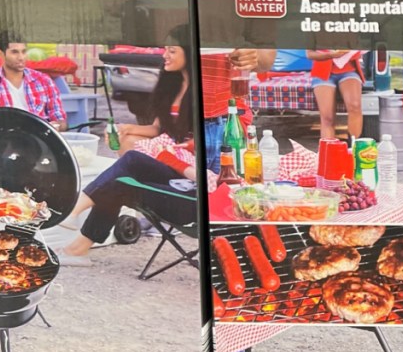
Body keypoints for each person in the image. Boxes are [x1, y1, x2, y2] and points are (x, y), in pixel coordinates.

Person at [57, 150, 196, 267]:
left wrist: (169, 158)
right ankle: (74, 221)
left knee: (119, 184)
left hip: (195, 203)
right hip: (187, 182)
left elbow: (205, 178)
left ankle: (76, 243)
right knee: (132, 159)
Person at [115, 24, 197, 154]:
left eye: (172, 51)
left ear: (190, 53)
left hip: (190, 153)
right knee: (123, 139)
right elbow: (158, 128)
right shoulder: (170, 85)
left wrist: (181, 147)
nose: (165, 55)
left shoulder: (204, 89)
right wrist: (126, 128)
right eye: (165, 49)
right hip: (168, 147)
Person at [0, 31, 67, 130]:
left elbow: (60, 118)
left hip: (39, 137)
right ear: (0, 54)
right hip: (3, 138)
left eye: (24, 52)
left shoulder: (44, 80)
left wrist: (56, 125)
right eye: (14, 52)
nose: (21, 57)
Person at [201, 46, 276, 172]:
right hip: (182, 121)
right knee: (179, 183)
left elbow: (266, 59)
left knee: (233, 183)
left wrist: (253, 56)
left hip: (230, 123)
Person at [306, 50, 365, 143]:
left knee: (355, 106)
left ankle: (354, 146)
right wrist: (331, 55)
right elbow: (310, 54)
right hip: (322, 73)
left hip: (349, 70)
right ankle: (329, 149)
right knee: (327, 118)